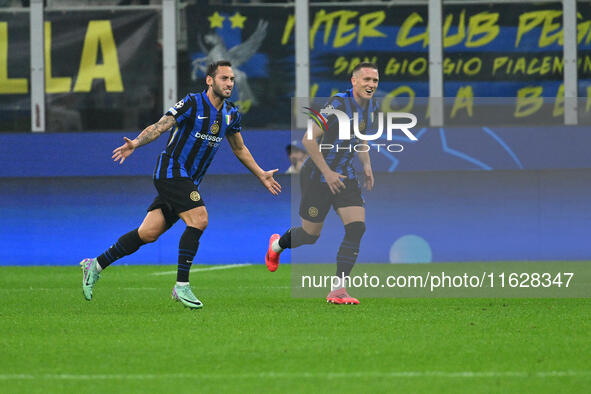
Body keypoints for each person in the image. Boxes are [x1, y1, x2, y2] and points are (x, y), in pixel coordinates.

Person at [81, 60, 281, 309]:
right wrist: (135, 143)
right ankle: (182, 285)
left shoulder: (231, 114)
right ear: (210, 80)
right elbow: (160, 126)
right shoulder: (192, 103)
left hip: (188, 180)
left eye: (232, 80)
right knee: (199, 219)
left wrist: (260, 173)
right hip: (171, 171)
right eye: (224, 78)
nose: (229, 83)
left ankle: (96, 265)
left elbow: (239, 148)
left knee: (148, 233)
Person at [265, 62, 378, 305]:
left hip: (345, 176)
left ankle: (338, 289)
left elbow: (361, 139)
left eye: (375, 81)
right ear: (354, 81)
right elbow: (308, 139)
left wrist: (366, 165)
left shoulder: (371, 106)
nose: (371, 85)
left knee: (357, 227)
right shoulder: (337, 104)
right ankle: (276, 245)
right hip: (317, 176)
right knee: (310, 235)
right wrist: (327, 172)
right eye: (366, 80)